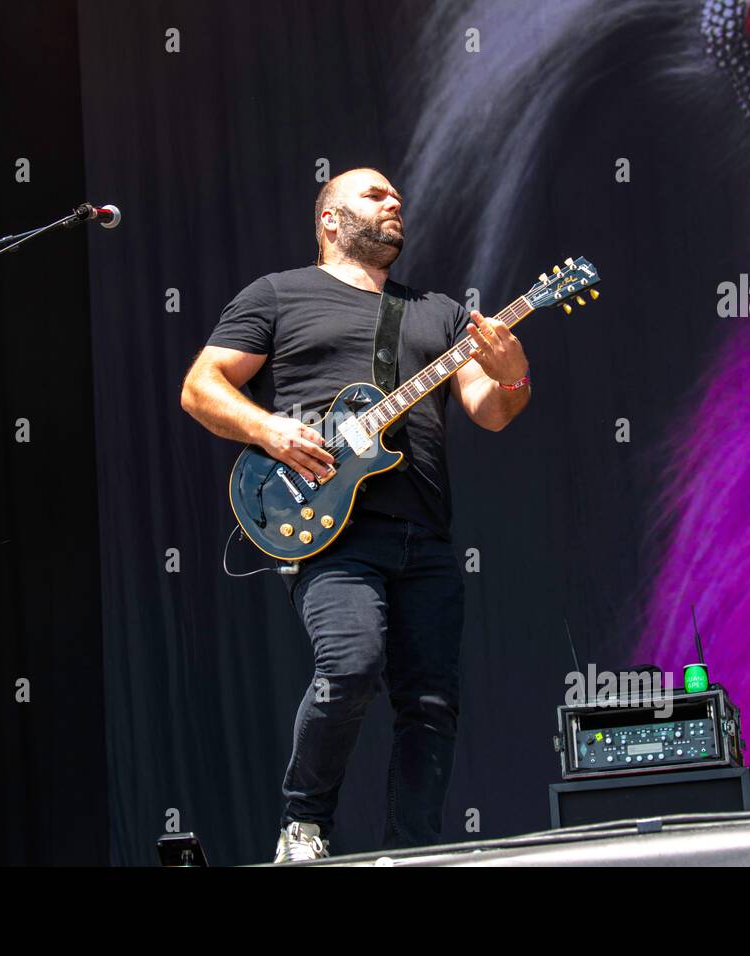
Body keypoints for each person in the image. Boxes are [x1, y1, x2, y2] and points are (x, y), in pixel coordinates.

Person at [180, 167, 531, 862]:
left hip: (424, 533)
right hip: (329, 527)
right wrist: (269, 430)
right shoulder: (278, 295)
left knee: (431, 704)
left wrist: (513, 369)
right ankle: (303, 825)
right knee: (351, 660)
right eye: (374, 195)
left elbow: (491, 413)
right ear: (331, 220)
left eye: (397, 195)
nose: (394, 201)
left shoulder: (439, 313)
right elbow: (201, 386)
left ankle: (414, 852)